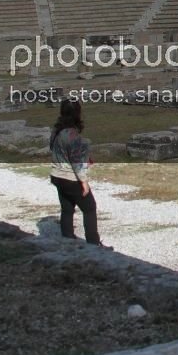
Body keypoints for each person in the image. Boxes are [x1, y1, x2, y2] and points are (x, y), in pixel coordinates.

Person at [49, 99, 109, 248]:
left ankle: (67, 239)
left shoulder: (56, 131)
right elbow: (76, 163)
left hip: (57, 175)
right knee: (89, 208)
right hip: (70, 177)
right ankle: (94, 244)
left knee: (67, 208)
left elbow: (56, 150)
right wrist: (84, 182)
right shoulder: (73, 135)